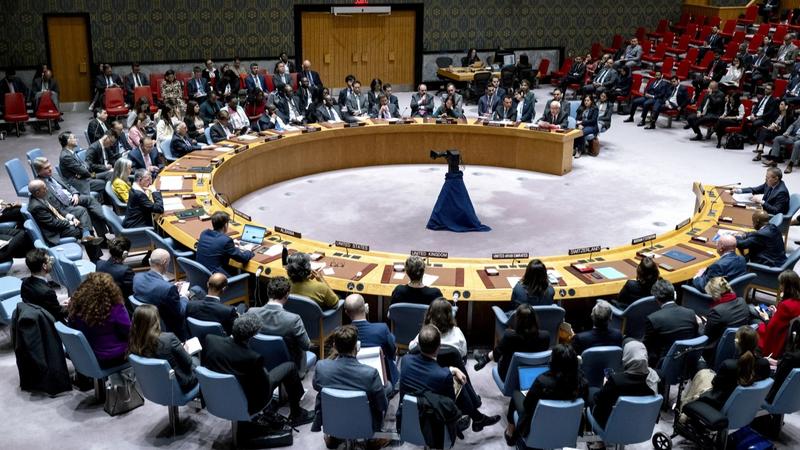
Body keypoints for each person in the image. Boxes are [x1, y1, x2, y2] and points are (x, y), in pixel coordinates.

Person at [202, 313, 315, 425]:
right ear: (252, 336)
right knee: (290, 367)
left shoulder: (210, 340)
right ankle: (297, 414)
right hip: (250, 403)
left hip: (217, 397)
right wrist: (264, 370)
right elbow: (264, 387)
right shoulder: (252, 358)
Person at [400, 325, 501, 438]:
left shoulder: (405, 360)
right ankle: (477, 418)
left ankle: (478, 418)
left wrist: (451, 369)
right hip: (433, 425)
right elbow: (451, 408)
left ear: (418, 344)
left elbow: (426, 373)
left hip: (406, 420)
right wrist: (451, 373)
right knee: (459, 384)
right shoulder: (443, 376)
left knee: (456, 382)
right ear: (439, 347)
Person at [312, 325, 389, 448]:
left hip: (333, 420)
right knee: (387, 388)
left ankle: (334, 436)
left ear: (334, 346)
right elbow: (382, 406)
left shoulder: (321, 367)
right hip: (363, 424)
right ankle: (374, 438)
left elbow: (316, 386)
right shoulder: (371, 373)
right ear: (356, 347)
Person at [505, 344, 588, 444]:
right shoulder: (583, 382)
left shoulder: (542, 381)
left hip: (539, 427)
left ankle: (510, 433)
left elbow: (527, 405)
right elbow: (585, 403)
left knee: (516, 394)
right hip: (567, 428)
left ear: (553, 362)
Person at [691, 326, 771, 411]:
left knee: (701, 367)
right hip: (747, 405)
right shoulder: (764, 363)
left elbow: (715, 384)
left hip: (721, 405)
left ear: (736, 342)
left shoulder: (729, 365)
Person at [33, 156, 108, 240]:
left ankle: (106, 220)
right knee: (84, 210)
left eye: (50, 166)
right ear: (39, 171)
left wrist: (75, 193)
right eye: (46, 168)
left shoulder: (54, 175)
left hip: (72, 198)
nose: (50, 169)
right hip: (64, 207)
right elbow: (55, 207)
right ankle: (104, 227)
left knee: (90, 200)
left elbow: (68, 185)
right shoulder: (40, 186)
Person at [26, 179, 102, 262]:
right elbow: (53, 223)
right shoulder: (36, 206)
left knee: (83, 216)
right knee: (84, 227)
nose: (47, 189)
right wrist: (70, 222)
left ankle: (86, 237)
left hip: (59, 222)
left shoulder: (41, 196)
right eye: (44, 188)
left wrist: (71, 217)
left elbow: (58, 209)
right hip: (54, 232)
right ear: (37, 192)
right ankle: (96, 259)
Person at [129, 304, 198, 393]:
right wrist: (185, 351)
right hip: (178, 384)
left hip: (152, 385)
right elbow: (188, 363)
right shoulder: (168, 339)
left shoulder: (133, 340)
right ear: (156, 321)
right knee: (196, 360)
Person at [67, 272, 131, 369]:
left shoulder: (77, 308)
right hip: (115, 357)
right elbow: (129, 332)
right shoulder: (115, 309)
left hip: (89, 355)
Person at [591, 340, 659, 428]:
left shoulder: (616, 381)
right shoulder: (656, 377)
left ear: (627, 356)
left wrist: (606, 386)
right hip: (640, 426)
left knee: (592, 392)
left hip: (614, 425)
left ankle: (591, 436)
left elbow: (598, 400)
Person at [248, 276, 310, 370]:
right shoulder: (293, 319)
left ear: (268, 292)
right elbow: (306, 346)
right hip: (288, 365)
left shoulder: (251, 312)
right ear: (287, 295)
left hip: (259, 361)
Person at [473, 304, 550, 379]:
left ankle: (485, 358)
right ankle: (484, 358)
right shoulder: (546, 336)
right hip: (536, 375)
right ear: (534, 319)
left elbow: (496, 357)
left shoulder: (510, 336)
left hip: (510, 376)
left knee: (501, 354)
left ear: (518, 320)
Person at [133, 248, 188, 340]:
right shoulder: (167, 288)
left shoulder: (137, 277)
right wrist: (184, 296)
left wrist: (171, 286)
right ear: (164, 262)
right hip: (168, 327)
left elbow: (154, 288)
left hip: (145, 322)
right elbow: (180, 312)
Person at [344, 293, 399, 385]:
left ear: (346, 312)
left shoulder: (341, 334)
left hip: (352, 378)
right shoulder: (382, 329)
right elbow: (392, 351)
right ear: (366, 308)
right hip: (380, 378)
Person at [644, 279, 699, 367]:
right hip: (688, 361)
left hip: (663, 364)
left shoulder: (653, 319)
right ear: (674, 294)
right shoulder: (690, 313)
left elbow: (646, 346)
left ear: (656, 299)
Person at [703, 277, 756, 366]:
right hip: (740, 347)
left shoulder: (717, 311)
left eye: (710, 294)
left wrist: (702, 324)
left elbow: (707, 337)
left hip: (715, 351)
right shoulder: (742, 301)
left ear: (715, 294)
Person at [195, 211, 254, 277]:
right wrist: (249, 250)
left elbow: (216, 244)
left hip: (200, 274)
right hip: (217, 280)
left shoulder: (204, 233)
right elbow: (243, 258)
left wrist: (232, 244)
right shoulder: (226, 241)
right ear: (226, 225)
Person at [757, 270, 800, 357]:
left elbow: (771, 328)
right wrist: (777, 312)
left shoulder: (785, 305)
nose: (780, 286)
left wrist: (766, 318)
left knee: (755, 319)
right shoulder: (796, 300)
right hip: (789, 336)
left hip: (777, 340)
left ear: (786, 286)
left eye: (781, 284)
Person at [21, 249, 66, 322]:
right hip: (49, 325)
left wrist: (58, 305)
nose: (51, 262)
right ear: (44, 266)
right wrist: (71, 306)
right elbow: (59, 314)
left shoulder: (24, 282)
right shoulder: (48, 292)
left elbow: (42, 305)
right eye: (49, 260)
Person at [58, 131, 106, 196]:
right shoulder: (66, 156)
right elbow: (84, 171)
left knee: (109, 174)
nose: (76, 139)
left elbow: (85, 165)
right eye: (74, 138)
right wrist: (91, 174)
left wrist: (83, 170)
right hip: (80, 182)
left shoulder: (71, 152)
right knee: (105, 181)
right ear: (68, 141)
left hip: (85, 177)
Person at [766, 325, 800, 403]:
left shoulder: (790, 357)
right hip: (794, 400)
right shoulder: (792, 357)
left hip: (774, 397)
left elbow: (777, 377)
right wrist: (778, 363)